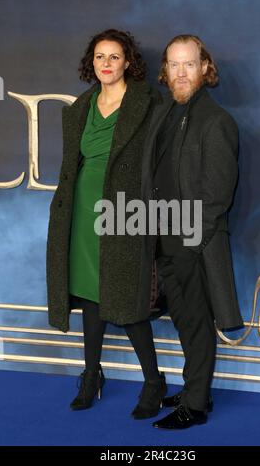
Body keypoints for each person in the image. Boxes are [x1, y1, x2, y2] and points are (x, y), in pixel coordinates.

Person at [46, 29, 167, 418]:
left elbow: (160, 164)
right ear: (91, 62)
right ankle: (91, 375)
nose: (106, 64)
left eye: (114, 57)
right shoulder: (81, 106)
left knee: (128, 300)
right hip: (80, 212)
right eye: (100, 57)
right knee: (89, 297)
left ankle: (153, 381)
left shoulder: (148, 103)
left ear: (128, 61)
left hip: (124, 214)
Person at [141, 34, 243, 429]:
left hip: (193, 243)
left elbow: (218, 196)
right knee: (184, 321)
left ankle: (196, 404)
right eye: (174, 65)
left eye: (189, 64)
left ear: (205, 68)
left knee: (198, 322)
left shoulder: (217, 121)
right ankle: (193, 387)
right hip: (163, 238)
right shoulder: (164, 112)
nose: (181, 73)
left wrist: (191, 242)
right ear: (165, 70)